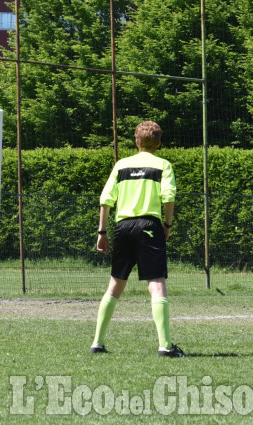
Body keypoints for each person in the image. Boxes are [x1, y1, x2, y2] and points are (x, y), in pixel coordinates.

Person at [91, 121, 185, 357]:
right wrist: (168, 224)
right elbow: (168, 197)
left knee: (115, 285)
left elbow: (106, 199)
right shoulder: (163, 165)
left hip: (122, 227)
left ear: (137, 142)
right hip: (149, 226)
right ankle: (165, 346)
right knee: (157, 284)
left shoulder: (121, 165)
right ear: (159, 143)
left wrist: (102, 233)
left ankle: (97, 343)